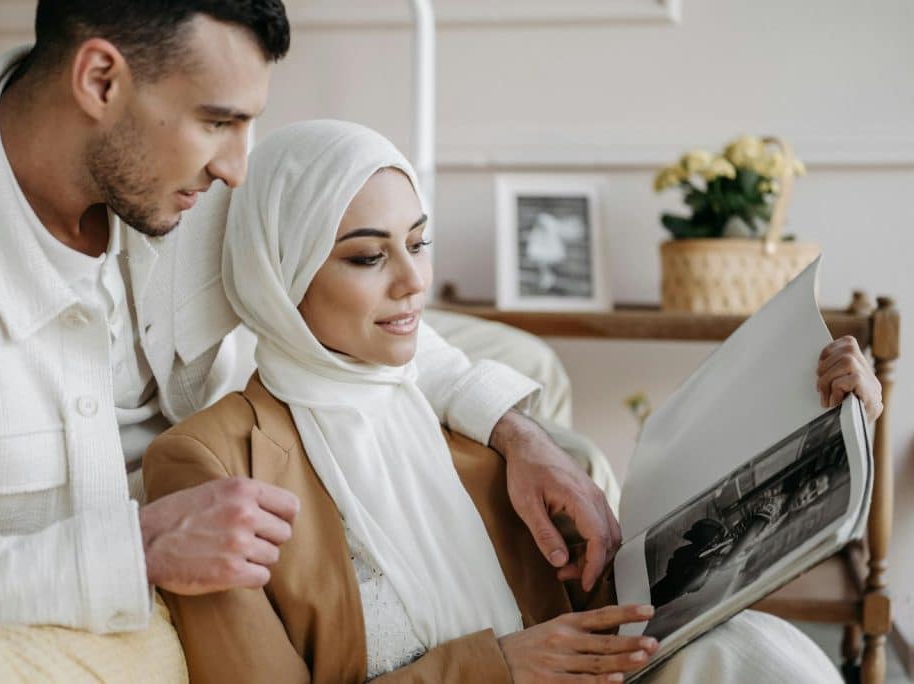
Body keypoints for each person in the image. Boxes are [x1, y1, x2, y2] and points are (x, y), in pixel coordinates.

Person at [0, 0, 626, 675]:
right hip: (134, 546)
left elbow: (385, 318)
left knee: (538, 395)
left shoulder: (185, 180)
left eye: (246, 123)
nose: (238, 167)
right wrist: (140, 546)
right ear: (100, 78)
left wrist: (517, 432)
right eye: (217, 122)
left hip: (267, 435)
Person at [143, 119, 866, 683]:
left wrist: (825, 424)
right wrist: (497, 669)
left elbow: (606, 602)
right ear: (278, 272)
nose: (411, 282)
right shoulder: (211, 462)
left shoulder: (473, 427)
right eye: (368, 256)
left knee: (752, 653)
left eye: (418, 244)